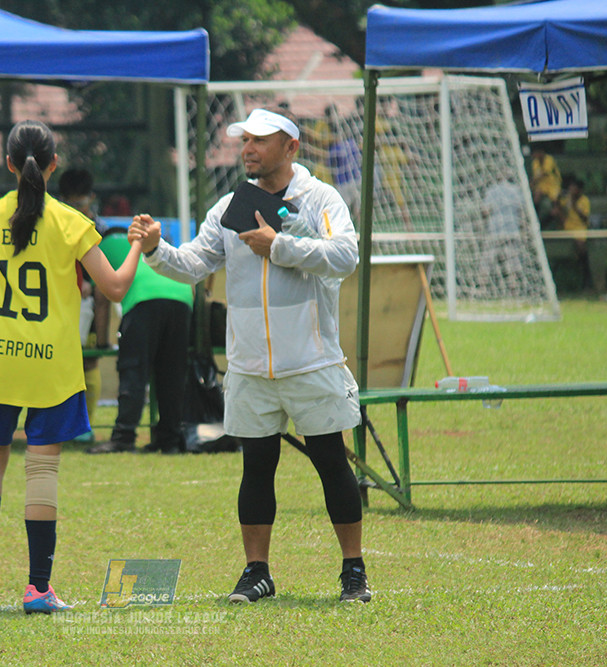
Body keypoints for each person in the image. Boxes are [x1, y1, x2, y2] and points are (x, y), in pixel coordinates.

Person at [129, 107, 372, 603]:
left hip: (312, 361)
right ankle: (256, 572)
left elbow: (346, 256)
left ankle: (354, 571)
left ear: (291, 147)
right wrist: (157, 250)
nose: (248, 149)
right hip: (249, 367)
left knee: (330, 461)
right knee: (256, 467)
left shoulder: (320, 198)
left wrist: (279, 246)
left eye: (261, 140)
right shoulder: (228, 207)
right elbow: (193, 263)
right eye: (245, 140)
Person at [0, 120, 142, 615]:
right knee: (41, 469)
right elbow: (115, 288)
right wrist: (140, 242)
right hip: (51, 364)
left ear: (9, 165)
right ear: (53, 165)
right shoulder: (72, 223)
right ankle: (37, 589)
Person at [86, 223, 194, 454]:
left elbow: (101, 297)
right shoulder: (152, 243)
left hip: (144, 301)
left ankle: (123, 437)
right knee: (172, 375)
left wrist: (102, 341)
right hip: (182, 297)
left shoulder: (101, 246)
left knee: (134, 371)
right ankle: (170, 440)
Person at [57, 167, 110, 444]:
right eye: (69, 204)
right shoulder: (56, 227)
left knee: (89, 358)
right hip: (59, 304)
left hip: (89, 305)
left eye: (80, 203)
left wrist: (89, 282)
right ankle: (68, 422)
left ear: (91, 198)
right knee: (63, 364)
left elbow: (108, 267)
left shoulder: (99, 228)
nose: (76, 209)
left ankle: (86, 425)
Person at [555, 174, 591, 289]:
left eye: (573, 188)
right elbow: (558, 207)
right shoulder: (567, 200)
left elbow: (585, 218)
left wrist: (575, 206)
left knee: (581, 247)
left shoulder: (584, 201)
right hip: (568, 228)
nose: (571, 190)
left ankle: (585, 274)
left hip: (579, 228)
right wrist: (558, 200)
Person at [530, 144, 561, 229]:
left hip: (553, 183)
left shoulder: (549, 159)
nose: (534, 156)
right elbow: (536, 175)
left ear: (540, 153)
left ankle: (549, 219)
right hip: (542, 184)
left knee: (555, 202)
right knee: (537, 196)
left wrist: (532, 182)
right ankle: (534, 218)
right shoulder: (535, 163)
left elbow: (544, 173)